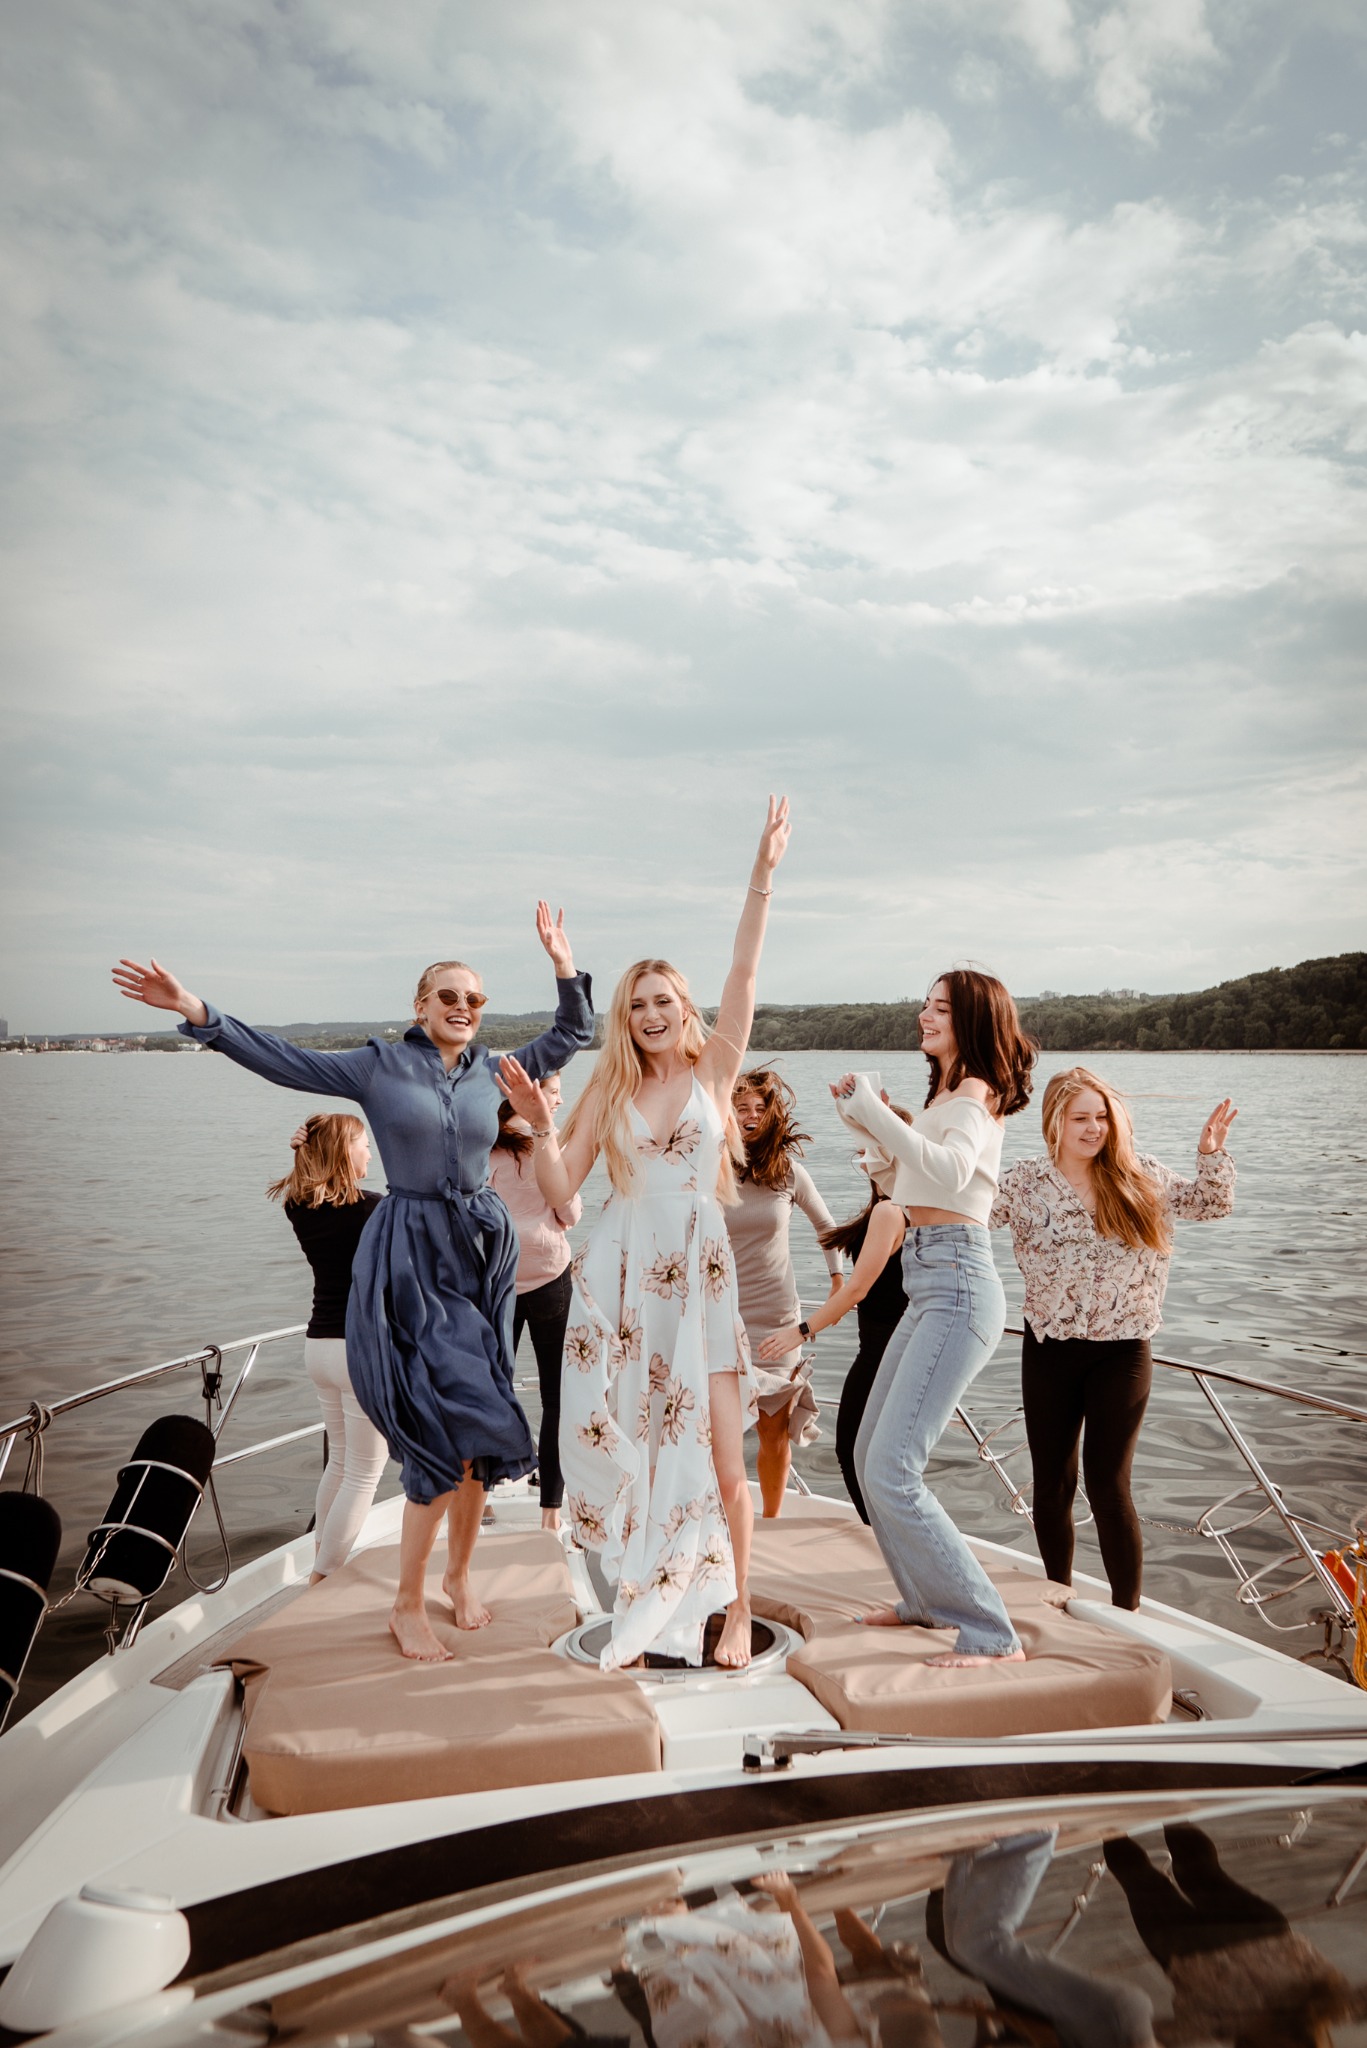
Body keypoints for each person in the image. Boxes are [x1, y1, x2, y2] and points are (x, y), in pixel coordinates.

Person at [111, 904, 594, 1663]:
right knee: (439, 1436)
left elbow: (573, 1035)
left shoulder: (493, 1071)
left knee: (486, 1425)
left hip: (481, 1253)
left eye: (475, 999)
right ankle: (408, 1602)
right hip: (412, 1253)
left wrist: (563, 965)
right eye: (449, 996)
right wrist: (196, 1011)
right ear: (419, 1006)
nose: (463, 1007)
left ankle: (458, 1579)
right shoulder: (377, 1065)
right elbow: (281, 1058)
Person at [497, 798, 790, 1671]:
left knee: (723, 1451)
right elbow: (558, 1189)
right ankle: (642, 1589)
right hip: (623, 1284)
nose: (652, 1014)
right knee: (631, 1441)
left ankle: (734, 1610)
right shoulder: (606, 1092)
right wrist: (534, 1122)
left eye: (664, 1000)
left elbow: (743, 972)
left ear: (683, 1008)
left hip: (700, 1280)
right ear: (623, 1017)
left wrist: (761, 877)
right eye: (637, 1004)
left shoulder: (714, 1069)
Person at [831, 971, 1037, 1669]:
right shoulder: (945, 1095)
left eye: (939, 1007)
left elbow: (949, 1175)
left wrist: (880, 1115)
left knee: (892, 1466)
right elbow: (908, 1186)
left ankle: (989, 1631)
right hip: (927, 1275)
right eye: (924, 1003)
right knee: (866, 1455)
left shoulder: (976, 1091)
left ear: (971, 1020)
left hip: (958, 1284)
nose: (923, 1014)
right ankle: (922, 1598)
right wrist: (868, 1123)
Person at [991, 1068, 1237, 1608]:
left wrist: (1210, 1154)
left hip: (1123, 1353)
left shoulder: (1140, 1174)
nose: (1094, 1128)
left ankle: (1128, 1608)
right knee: (1051, 1485)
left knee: (1107, 1485)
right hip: (1049, 1349)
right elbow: (958, 1215)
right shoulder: (1023, 1182)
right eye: (1080, 1117)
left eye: (1102, 1116)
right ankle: (1058, 1596)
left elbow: (1210, 1205)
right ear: (1054, 1121)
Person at [758, 1125, 910, 1525]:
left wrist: (802, 1329)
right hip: (881, 1347)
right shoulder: (888, 1204)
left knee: (859, 1453)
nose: (862, 1156)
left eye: (869, 1147)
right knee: (868, 1456)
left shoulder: (892, 1209)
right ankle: (886, 1537)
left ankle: (891, 1540)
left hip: (887, 1349)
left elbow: (858, 1290)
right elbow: (832, 1238)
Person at [268, 1114, 389, 1581]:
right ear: (343, 1151)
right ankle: (322, 1577)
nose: (370, 1153)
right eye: (363, 1144)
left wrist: (301, 1148)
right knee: (363, 1473)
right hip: (358, 1351)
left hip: (319, 1346)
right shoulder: (375, 1209)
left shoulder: (299, 1206)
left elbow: (304, 1178)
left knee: (339, 1460)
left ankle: (320, 1555)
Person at [729, 1068, 842, 1517]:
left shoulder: (789, 1173)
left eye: (760, 1108)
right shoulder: (709, 1167)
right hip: (720, 1316)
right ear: (727, 1114)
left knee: (772, 1434)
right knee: (717, 1435)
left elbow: (828, 1228)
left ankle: (770, 1523)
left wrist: (836, 1282)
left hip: (777, 1321)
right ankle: (722, 1527)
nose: (751, 1116)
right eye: (741, 1108)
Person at [489, 1073, 583, 1533]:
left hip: (497, 1282)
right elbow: (568, 1210)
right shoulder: (546, 1141)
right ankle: (550, 1511)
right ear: (525, 1094)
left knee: (490, 1390)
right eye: (553, 1091)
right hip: (548, 1278)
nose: (560, 1099)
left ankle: (481, 1496)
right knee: (557, 1398)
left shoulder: (482, 1140)